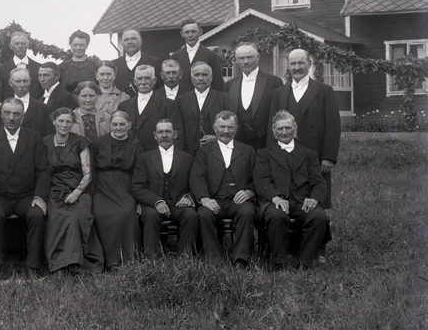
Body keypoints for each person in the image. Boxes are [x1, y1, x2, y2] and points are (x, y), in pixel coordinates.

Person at [0, 98, 51, 278]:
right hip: (0, 196)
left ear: (23, 116)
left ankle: (33, 266)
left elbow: (43, 170)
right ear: (1, 115)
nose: (11, 118)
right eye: (7, 113)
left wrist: (39, 197)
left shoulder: (34, 137)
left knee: (37, 215)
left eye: (16, 114)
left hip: (26, 195)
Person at [253, 111, 332, 269]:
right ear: (274, 131)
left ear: (295, 128)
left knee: (319, 217)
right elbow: (261, 181)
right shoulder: (264, 154)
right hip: (275, 201)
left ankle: (304, 261)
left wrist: (314, 198)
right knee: (276, 216)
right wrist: (275, 197)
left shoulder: (309, 154)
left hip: (302, 201)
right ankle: (280, 262)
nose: (284, 132)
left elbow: (319, 182)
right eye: (280, 129)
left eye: (288, 128)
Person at [269, 48, 341, 208]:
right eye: (293, 63)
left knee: (315, 200)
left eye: (301, 63)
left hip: (314, 153)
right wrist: (271, 155)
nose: (297, 67)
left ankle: (316, 222)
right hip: (285, 154)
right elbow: (271, 127)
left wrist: (329, 157)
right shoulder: (279, 93)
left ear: (310, 63)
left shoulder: (324, 91)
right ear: (287, 66)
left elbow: (333, 126)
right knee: (286, 198)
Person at [190, 111, 257, 267]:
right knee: (204, 214)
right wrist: (204, 198)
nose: (226, 131)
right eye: (222, 127)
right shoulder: (204, 151)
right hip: (214, 199)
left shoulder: (247, 150)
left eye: (230, 127)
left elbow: (258, 177)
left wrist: (249, 191)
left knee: (247, 212)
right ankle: (215, 260)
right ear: (215, 128)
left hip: (238, 201)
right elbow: (197, 177)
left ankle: (240, 260)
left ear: (236, 129)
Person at [42, 109, 103, 274]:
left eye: (68, 122)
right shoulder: (45, 142)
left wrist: (76, 193)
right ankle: (59, 264)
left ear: (73, 123)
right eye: (61, 121)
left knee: (75, 217)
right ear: (54, 121)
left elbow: (88, 174)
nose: (64, 125)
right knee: (57, 218)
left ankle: (76, 262)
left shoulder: (80, 142)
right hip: (54, 190)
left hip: (79, 190)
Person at [130, 119, 198, 258]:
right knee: (151, 216)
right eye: (160, 132)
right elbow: (138, 186)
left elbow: (196, 184)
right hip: (154, 204)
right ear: (155, 135)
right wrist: (157, 202)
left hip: (178, 204)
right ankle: (152, 259)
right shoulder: (145, 158)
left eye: (168, 131)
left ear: (175, 134)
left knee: (191, 215)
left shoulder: (187, 158)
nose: (164, 135)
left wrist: (188, 197)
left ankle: (185, 257)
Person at [89, 112, 144, 267]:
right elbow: (90, 169)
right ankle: (106, 261)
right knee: (100, 214)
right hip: (102, 187)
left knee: (128, 213)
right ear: (110, 125)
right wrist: (91, 193)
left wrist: (140, 200)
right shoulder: (98, 143)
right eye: (115, 124)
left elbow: (140, 174)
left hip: (126, 187)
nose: (118, 128)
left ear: (129, 125)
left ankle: (128, 260)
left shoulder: (136, 146)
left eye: (122, 124)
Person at [227, 42, 280, 151]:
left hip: (264, 142)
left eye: (250, 57)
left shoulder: (274, 82)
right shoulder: (229, 85)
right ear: (236, 60)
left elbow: (279, 116)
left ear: (258, 57)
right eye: (241, 58)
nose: (246, 61)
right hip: (237, 142)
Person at [117, 66, 181, 153]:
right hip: (129, 156)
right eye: (140, 79)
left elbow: (177, 136)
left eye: (147, 78)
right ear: (135, 81)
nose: (143, 82)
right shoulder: (123, 105)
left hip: (156, 156)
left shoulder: (168, 105)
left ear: (154, 80)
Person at [175, 62, 232, 156]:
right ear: (191, 78)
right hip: (188, 152)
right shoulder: (180, 100)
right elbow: (177, 128)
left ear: (211, 77)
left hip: (216, 152)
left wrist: (217, 138)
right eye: (197, 75)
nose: (201, 78)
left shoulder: (224, 99)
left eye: (204, 75)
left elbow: (231, 125)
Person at [171, 19, 225, 92]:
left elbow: (218, 84)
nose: (190, 35)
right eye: (187, 32)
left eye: (193, 31)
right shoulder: (175, 56)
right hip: (181, 98)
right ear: (182, 34)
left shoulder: (212, 56)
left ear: (200, 32)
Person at [0, 31, 41, 101]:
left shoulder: (38, 68)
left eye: (23, 43)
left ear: (28, 45)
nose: (20, 46)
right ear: (11, 46)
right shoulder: (1, 70)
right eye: (17, 43)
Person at [110, 30, 159, 97]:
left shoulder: (154, 62)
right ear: (122, 44)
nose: (130, 42)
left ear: (141, 42)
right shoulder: (114, 64)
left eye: (133, 39)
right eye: (126, 40)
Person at [7, 67, 49, 139]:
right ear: (10, 83)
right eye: (18, 81)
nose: (22, 85)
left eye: (25, 81)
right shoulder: (1, 109)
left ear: (30, 82)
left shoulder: (43, 109)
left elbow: (48, 137)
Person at [94, 64, 125, 136]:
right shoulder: (90, 97)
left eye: (109, 74)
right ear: (96, 76)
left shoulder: (124, 97)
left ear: (114, 76)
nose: (105, 78)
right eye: (102, 74)